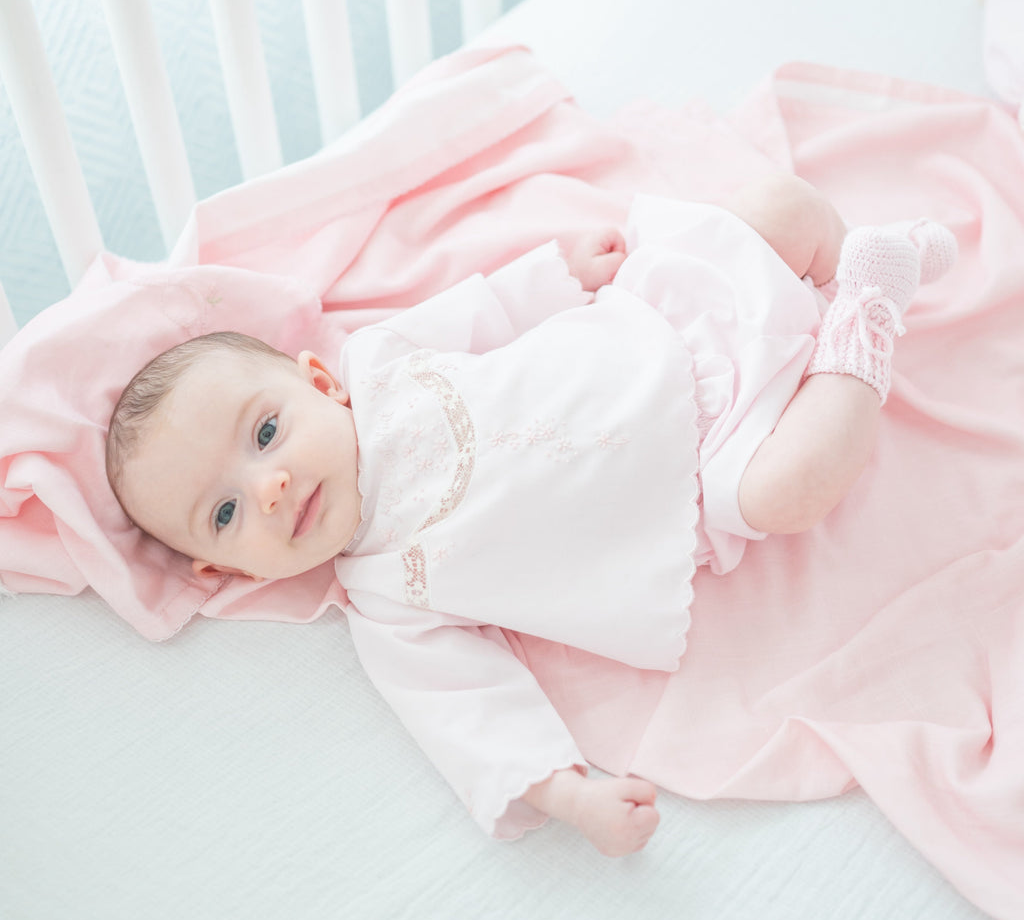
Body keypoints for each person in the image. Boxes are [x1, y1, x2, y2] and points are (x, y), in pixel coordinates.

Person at [104, 176, 956, 857]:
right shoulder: (387, 600)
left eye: (265, 433)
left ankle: (848, 262)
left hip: (658, 327)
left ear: (320, 383)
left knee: (776, 209)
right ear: (227, 570)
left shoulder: (382, 361)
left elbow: (484, 312)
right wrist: (569, 794)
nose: (271, 487)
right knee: (791, 491)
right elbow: (467, 712)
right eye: (224, 512)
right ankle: (869, 311)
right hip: (707, 475)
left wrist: (561, 273)